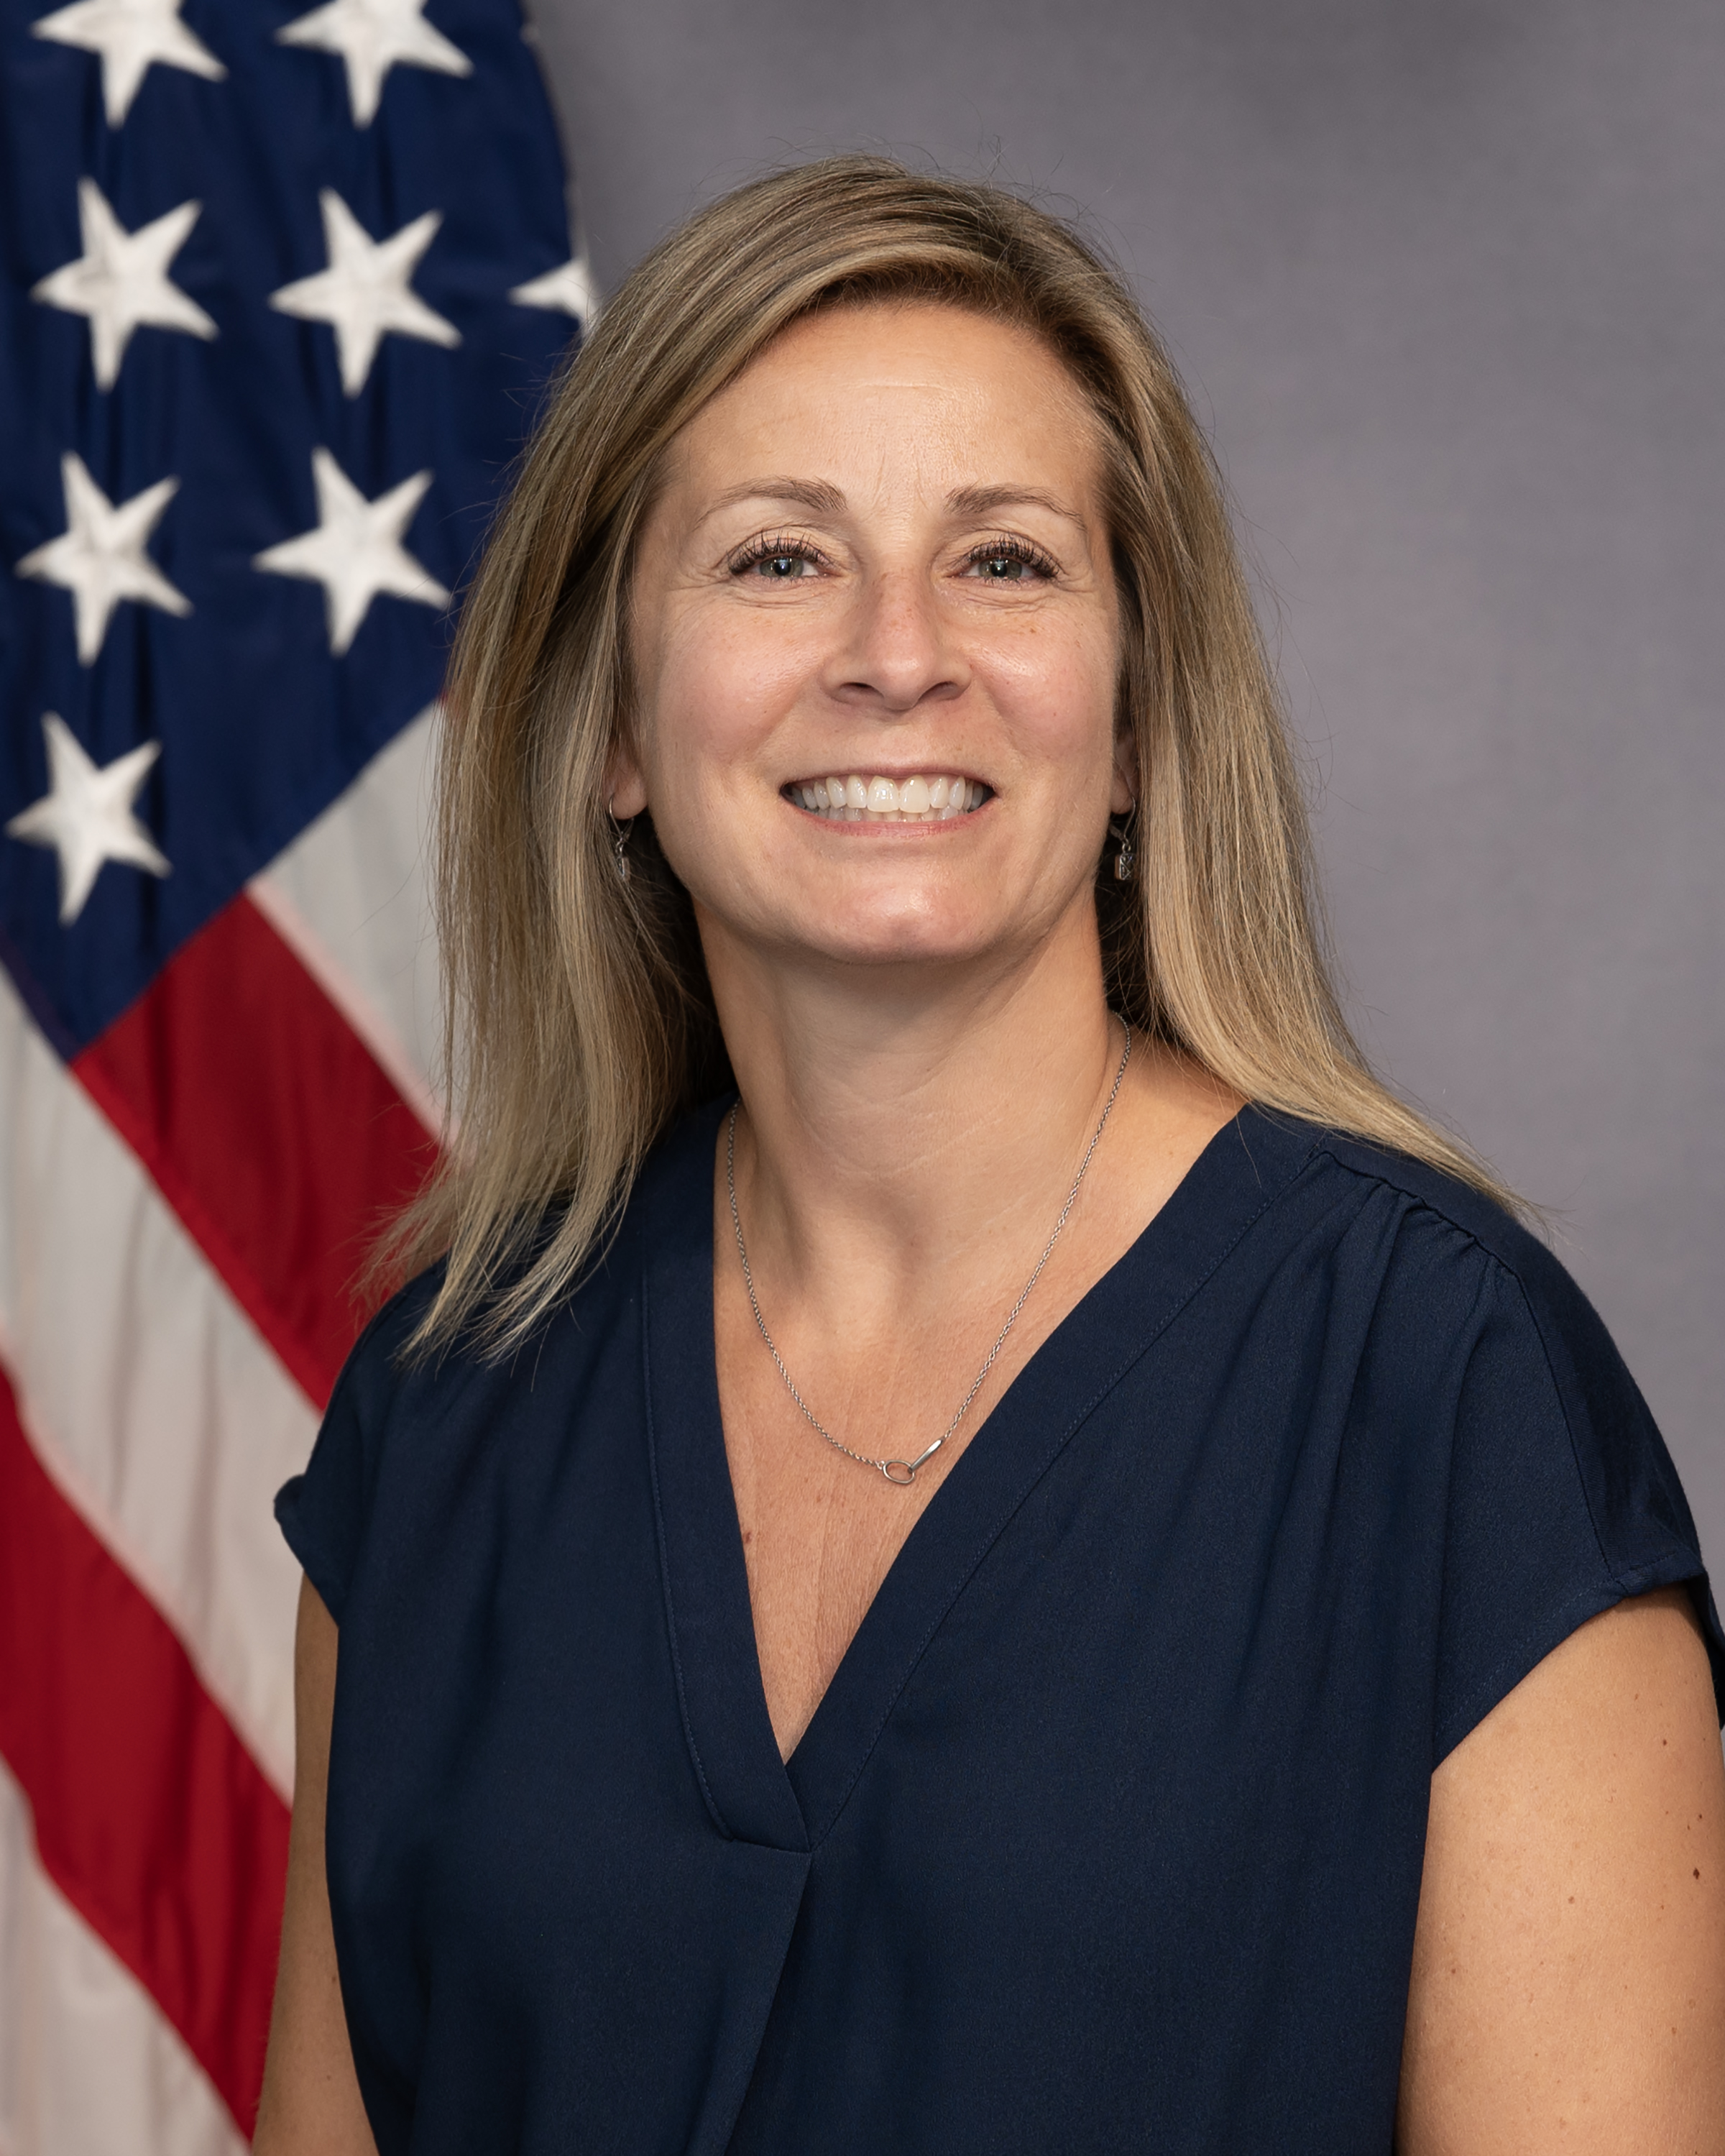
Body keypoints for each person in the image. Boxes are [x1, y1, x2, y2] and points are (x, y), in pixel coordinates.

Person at [253, 157, 1725, 2156]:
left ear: (1131, 730)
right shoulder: (441, 1425)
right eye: (778, 559)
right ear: (611, 724)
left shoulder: (1446, 1397)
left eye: (1008, 562)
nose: (897, 653)